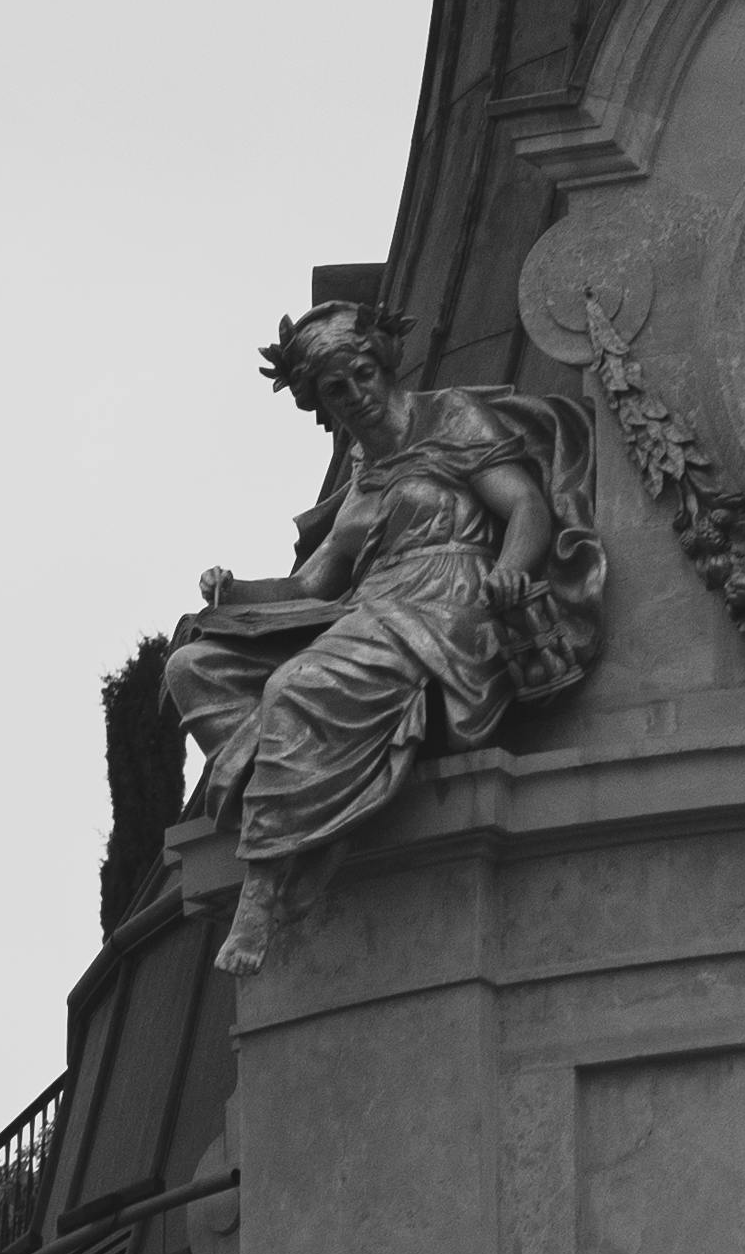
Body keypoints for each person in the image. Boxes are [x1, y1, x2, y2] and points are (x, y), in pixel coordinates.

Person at [165, 300, 605, 975]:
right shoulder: (362, 476)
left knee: (292, 686)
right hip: (369, 610)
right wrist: (232, 590)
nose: (356, 395)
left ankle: (262, 882)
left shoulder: (450, 417)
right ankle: (324, 814)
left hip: (450, 602)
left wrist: (513, 571)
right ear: (322, 401)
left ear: (383, 364)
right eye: (336, 389)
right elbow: (314, 583)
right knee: (194, 665)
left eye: (363, 374)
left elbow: (523, 504)